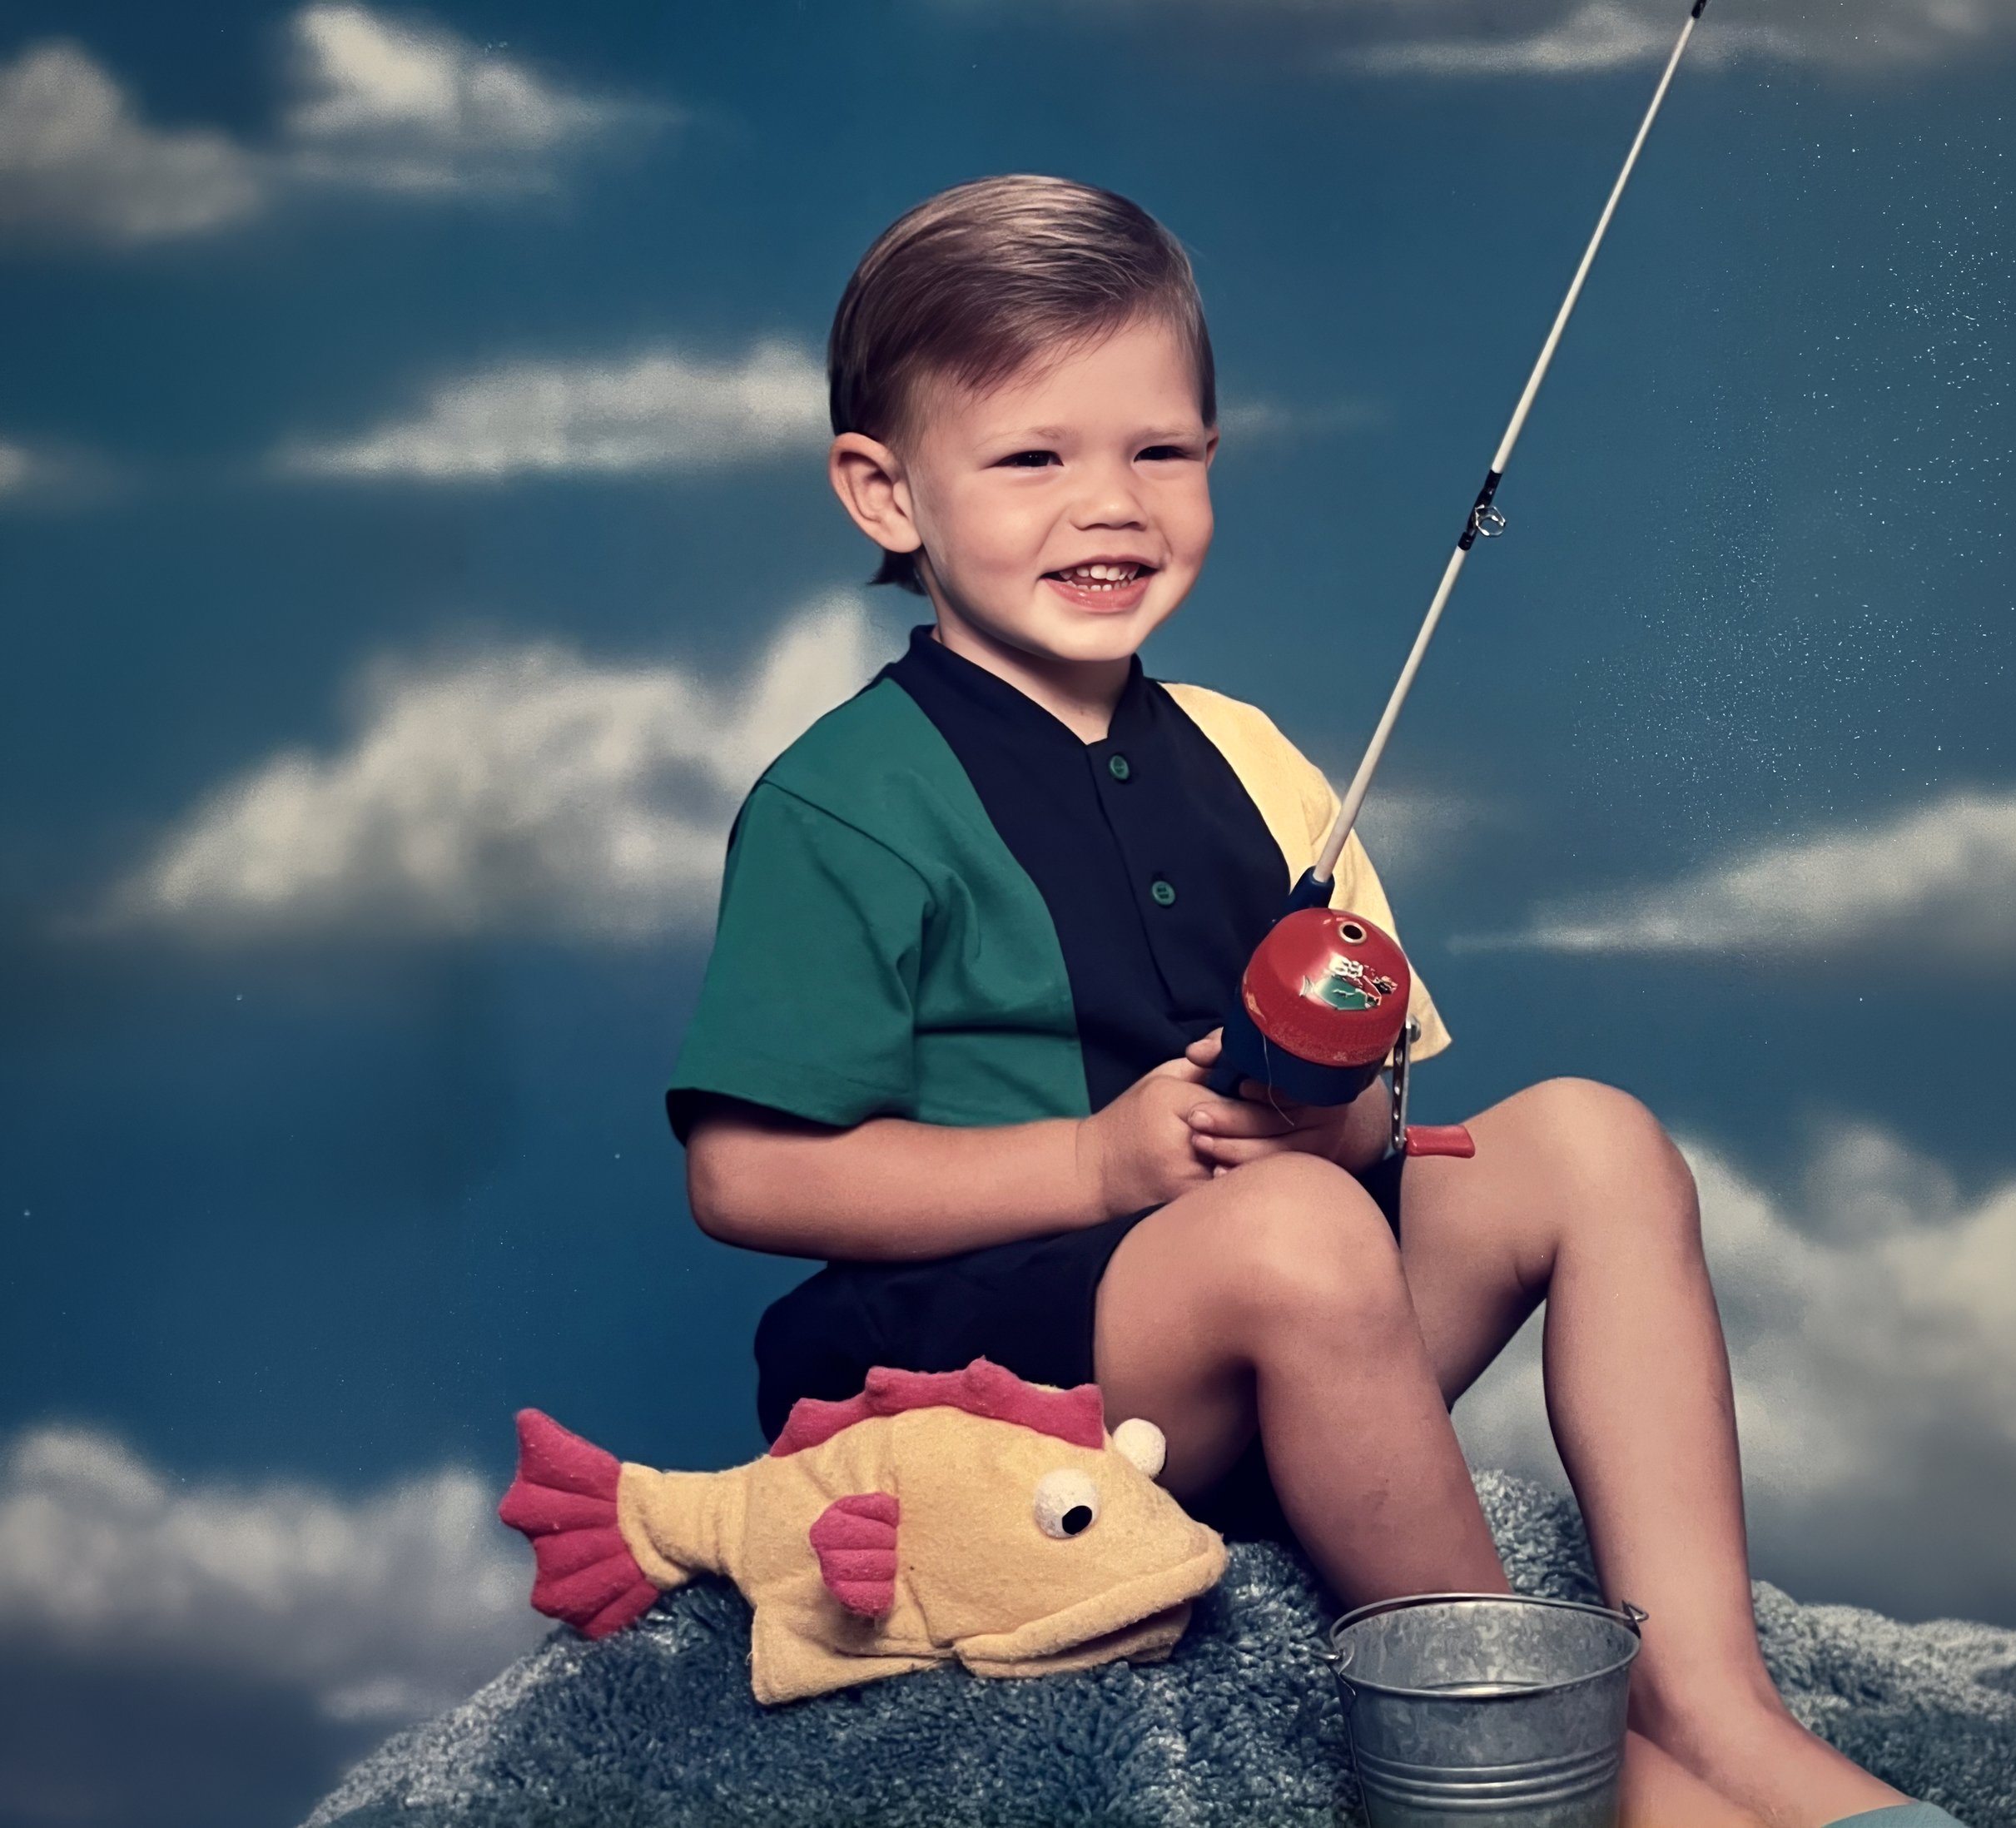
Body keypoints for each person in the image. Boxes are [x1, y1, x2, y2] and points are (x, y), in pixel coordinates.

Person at [667, 176, 1940, 1828]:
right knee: (1295, 1237)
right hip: (997, 1413)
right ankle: (1540, 1756)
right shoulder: (843, 802)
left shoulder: (1255, 757)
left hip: (1283, 1332)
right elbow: (742, 1177)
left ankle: (1704, 1695)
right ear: (883, 493)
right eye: (1031, 457)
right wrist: (1097, 1167)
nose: (1105, 505)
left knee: (1585, 1142)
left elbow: (1375, 1105)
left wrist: (1343, 1111)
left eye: (1158, 452)